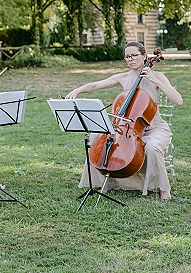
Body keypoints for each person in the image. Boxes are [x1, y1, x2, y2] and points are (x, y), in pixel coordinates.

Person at [65, 41, 183, 202]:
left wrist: (156, 80)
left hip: (154, 128)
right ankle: (106, 179)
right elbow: (95, 85)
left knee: (152, 147)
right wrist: (78, 90)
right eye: (127, 57)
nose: (130, 59)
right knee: (95, 137)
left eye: (134, 55)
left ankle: (163, 188)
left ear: (144, 56)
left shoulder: (157, 77)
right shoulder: (123, 78)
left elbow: (178, 100)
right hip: (127, 128)